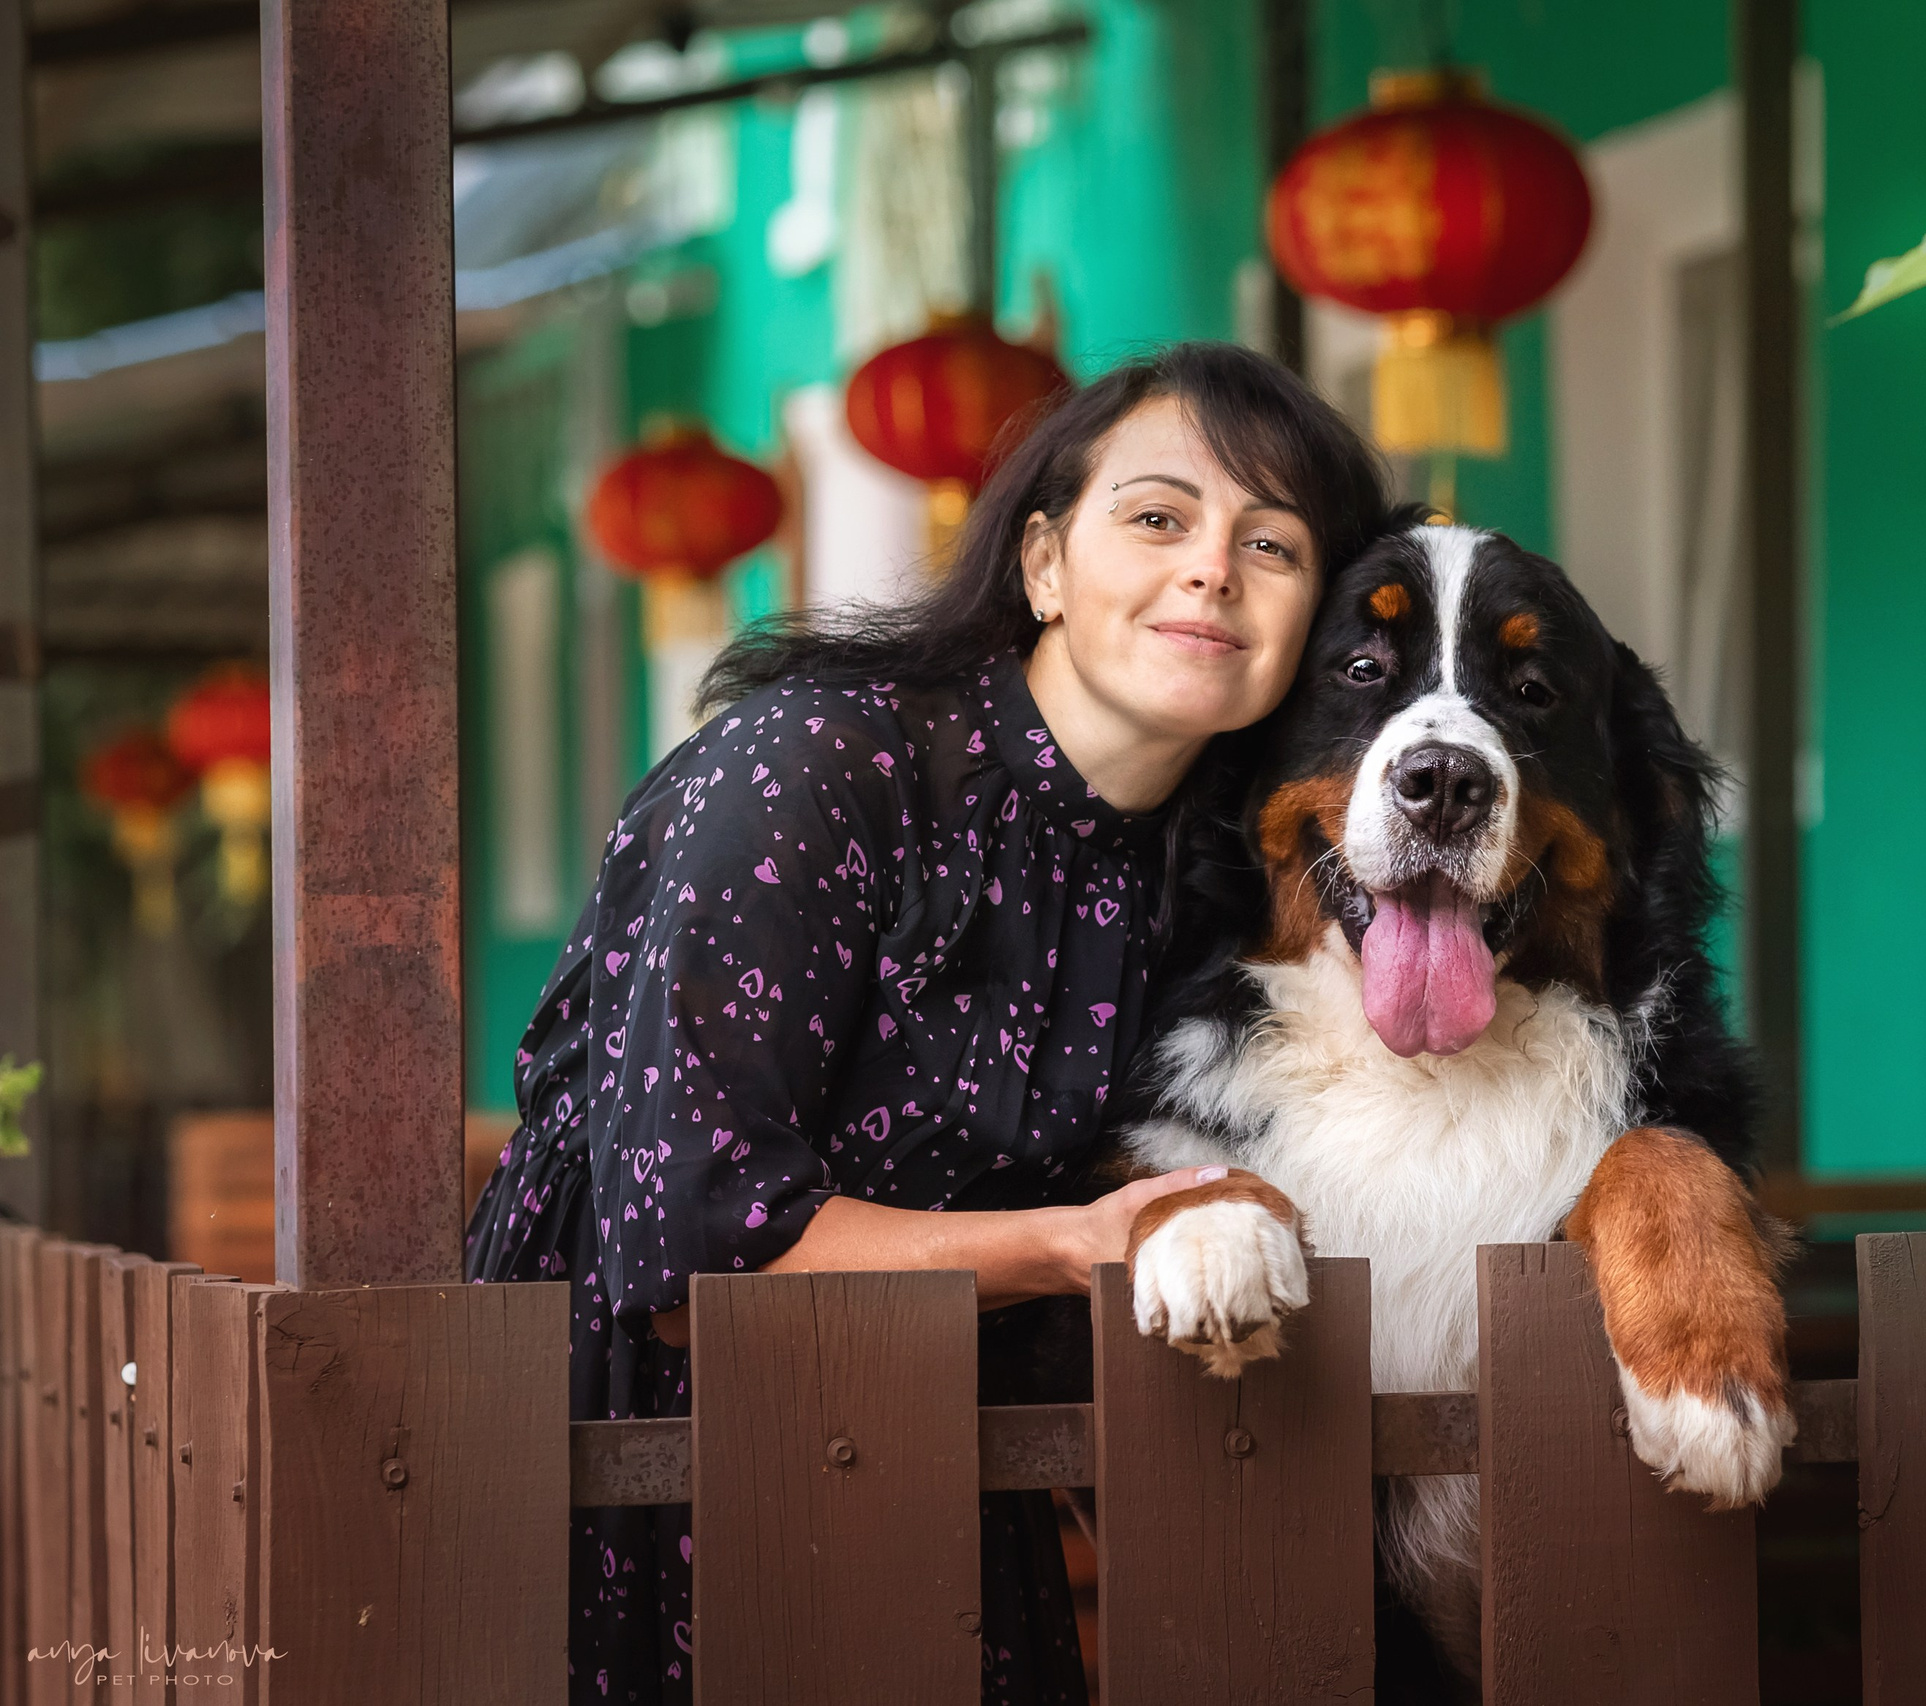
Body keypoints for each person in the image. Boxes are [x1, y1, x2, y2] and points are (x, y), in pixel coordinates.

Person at [463, 340, 1397, 1704]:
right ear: (1040, 566)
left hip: (936, 1430)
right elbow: (697, 1242)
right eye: (1158, 517)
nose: (1212, 567)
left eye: (1274, 542)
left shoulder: (1206, 859)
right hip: (645, 1444)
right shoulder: (816, 769)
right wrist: (1078, 1246)